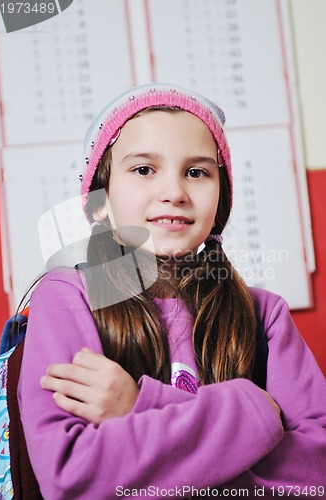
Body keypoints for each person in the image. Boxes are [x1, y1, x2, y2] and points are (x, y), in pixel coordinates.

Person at [18, 83, 326, 499]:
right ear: (99, 201)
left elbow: (315, 474)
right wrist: (254, 415)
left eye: (197, 172)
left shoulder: (263, 314)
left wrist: (140, 408)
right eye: (144, 170)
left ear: (221, 200)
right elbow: (73, 476)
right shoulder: (69, 297)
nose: (175, 193)